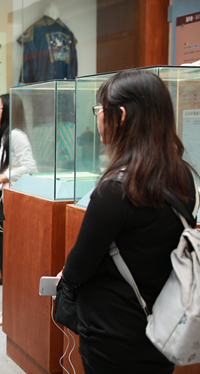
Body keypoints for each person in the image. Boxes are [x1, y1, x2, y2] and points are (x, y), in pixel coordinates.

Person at [59, 70, 197, 374]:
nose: (98, 117)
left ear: (120, 115)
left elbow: (78, 267)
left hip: (111, 333)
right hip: (164, 326)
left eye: (99, 109)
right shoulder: (183, 177)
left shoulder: (116, 188)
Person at [0, 93, 36, 326]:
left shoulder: (16, 135)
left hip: (14, 204)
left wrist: (1, 177)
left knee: (6, 257)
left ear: (9, 111)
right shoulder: (5, 135)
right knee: (3, 256)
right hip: (4, 202)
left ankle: (11, 309)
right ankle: (9, 307)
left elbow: (30, 167)